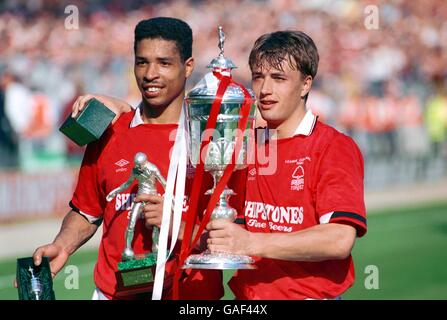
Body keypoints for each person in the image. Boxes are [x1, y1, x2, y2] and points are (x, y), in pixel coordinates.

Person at [30, 17, 228, 300]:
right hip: (112, 294)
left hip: (190, 297)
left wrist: (181, 228)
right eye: (142, 62)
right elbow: (87, 210)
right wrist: (62, 245)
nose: (150, 74)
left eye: (164, 63)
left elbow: (232, 235)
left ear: (188, 67)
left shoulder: (210, 138)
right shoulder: (109, 132)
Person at [206, 31, 367, 299]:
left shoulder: (333, 147)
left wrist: (252, 243)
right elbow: (228, 227)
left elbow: (339, 239)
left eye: (279, 78)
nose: (265, 89)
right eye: (258, 77)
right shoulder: (246, 145)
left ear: (305, 84)